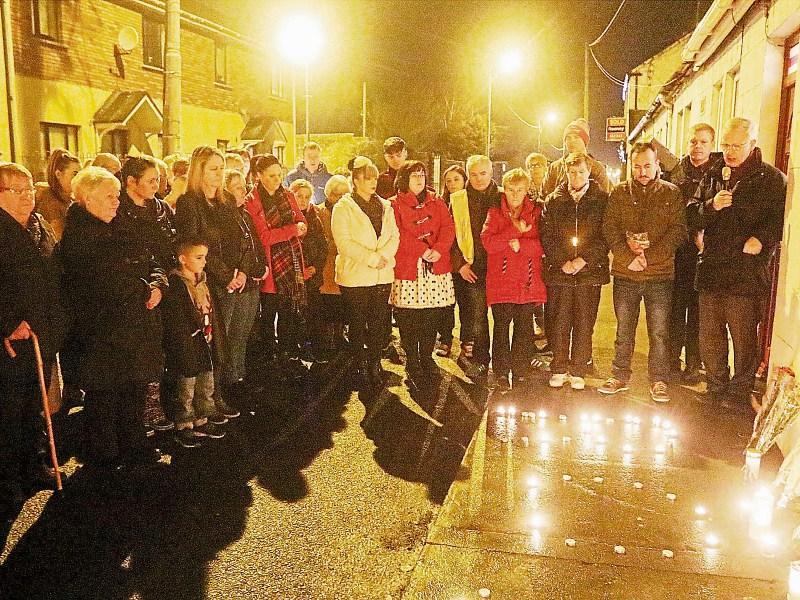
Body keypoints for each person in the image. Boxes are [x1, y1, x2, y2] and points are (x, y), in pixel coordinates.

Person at [59, 167, 164, 468]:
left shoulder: (122, 227)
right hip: (102, 333)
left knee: (133, 389)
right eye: (109, 196)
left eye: (117, 195)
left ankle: (133, 443)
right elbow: (105, 281)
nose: (116, 201)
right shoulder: (79, 238)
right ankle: (104, 456)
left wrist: (158, 284)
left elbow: (150, 260)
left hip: (133, 327)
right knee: (105, 396)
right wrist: (145, 289)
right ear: (87, 199)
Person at [693, 117, 787, 408]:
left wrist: (762, 240)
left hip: (745, 274)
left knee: (744, 337)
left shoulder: (771, 179)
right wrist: (710, 206)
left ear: (752, 144)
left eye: (737, 145)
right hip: (712, 270)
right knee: (710, 336)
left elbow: (780, 221)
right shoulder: (713, 173)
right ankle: (716, 384)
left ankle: (739, 390)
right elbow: (691, 213)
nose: (730, 152)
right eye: (726, 145)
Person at [0, 162, 66, 533]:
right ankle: (8, 482)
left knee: (33, 406)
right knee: (8, 414)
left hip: (41, 334)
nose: (27, 197)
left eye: (29, 190)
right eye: (17, 191)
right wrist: (7, 322)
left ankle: (33, 466)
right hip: (11, 341)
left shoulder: (38, 226)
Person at [599, 141, 686, 403]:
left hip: (659, 275)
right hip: (626, 274)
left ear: (657, 165)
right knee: (624, 330)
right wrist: (627, 257)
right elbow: (609, 228)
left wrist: (650, 257)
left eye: (647, 166)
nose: (642, 172)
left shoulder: (671, 193)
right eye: (637, 167)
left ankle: (658, 379)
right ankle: (619, 375)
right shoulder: (619, 193)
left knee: (659, 332)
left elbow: (678, 231)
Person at [175, 146, 255, 419]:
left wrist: (242, 271)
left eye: (222, 168)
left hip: (234, 278)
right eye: (213, 169)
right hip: (208, 282)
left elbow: (243, 238)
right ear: (199, 171)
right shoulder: (189, 204)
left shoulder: (227, 201)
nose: (219, 174)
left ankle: (219, 393)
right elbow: (193, 245)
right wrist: (225, 275)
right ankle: (207, 400)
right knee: (212, 343)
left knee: (230, 339)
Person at [115, 156, 177, 432]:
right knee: (141, 353)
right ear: (131, 181)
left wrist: (162, 280)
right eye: (151, 180)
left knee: (161, 349)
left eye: (158, 179)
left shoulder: (159, 209)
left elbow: (167, 245)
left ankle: (157, 402)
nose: (156, 185)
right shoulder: (119, 212)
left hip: (162, 282)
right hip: (137, 290)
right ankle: (142, 410)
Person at [540, 152, 609, 391]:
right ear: (566, 173)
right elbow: (547, 235)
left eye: (581, 172)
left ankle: (578, 368)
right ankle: (559, 367)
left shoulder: (601, 199)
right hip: (560, 273)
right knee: (558, 321)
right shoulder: (554, 200)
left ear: (589, 172)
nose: (576, 176)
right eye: (572, 172)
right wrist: (562, 261)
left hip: (589, 272)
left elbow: (605, 235)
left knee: (584, 323)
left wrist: (584, 260)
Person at [331, 156, 399, 388]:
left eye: (375, 178)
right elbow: (344, 242)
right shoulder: (343, 207)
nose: (373, 183)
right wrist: (372, 258)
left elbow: (394, 235)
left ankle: (374, 364)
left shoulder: (385, 206)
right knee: (358, 324)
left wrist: (384, 256)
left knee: (379, 323)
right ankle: (360, 365)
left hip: (382, 274)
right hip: (356, 276)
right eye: (368, 178)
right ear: (356, 180)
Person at [390, 161, 455, 391]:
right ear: (404, 178)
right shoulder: (394, 204)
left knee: (431, 316)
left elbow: (448, 227)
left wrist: (438, 249)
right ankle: (412, 360)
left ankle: (426, 357)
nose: (419, 179)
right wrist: (422, 250)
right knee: (408, 318)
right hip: (409, 267)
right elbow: (396, 233)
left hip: (435, 266)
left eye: (421, 175)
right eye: (414, 175)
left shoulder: (437, 201)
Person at [665, 123, 721, 384]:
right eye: (693, 141)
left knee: (699, 313)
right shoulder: (675, 174)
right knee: (675, 309)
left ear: (711, 144)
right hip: (679, 252)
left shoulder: (719, 174)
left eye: (703, 142)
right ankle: (671, 359)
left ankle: (694, 363)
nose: (697, 146)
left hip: (706, 253)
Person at [481, 168, 545, 391]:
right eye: (511, 189)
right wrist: (513, 232)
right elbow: (488, 242)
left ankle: (520, 370)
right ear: (504, 190)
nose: (515, 194)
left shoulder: (536, 212)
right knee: (501, 328)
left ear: (526, 190)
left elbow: (543, 244)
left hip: (527, 281)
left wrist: (521, 245)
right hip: (502, 281)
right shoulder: (495, 212)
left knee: (524, 329)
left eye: (519, 190)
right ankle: (501, 371)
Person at [161, 238, 226, 448]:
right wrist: (184, 338)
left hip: (206, 339)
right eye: (198, 257)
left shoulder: (205, 281)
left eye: (205, 257)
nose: (204, 261)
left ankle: (202, 417)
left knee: (206, 381)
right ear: (183, 259)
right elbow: (175, 319)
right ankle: (184, 423)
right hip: (187, 342)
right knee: (186, 385)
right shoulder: (176, 285)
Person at [245, 154, 308, 367]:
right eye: (271, 176)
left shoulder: (287, 195)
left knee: (288, 311)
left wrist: (297, 228)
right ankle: (270, 355)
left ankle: (286, 352)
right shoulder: (253, 201)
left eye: (279, 175)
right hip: (270, 263)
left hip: (291, 260)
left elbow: (301, 222)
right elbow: (264, 237)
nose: (277, 180)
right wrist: (292, 230)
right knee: (269, 312)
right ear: (259, 175)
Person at [450, 155, 500, 379]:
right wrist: (460, 264)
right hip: (472, 267)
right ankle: (481, 360)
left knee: (502, 320)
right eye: (473, 174)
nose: (479, 179)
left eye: (483, 173)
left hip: (501, 268)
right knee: (478, 318)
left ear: (491, 173)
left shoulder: (502, 197)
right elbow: (449, 235)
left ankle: (503, 365)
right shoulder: (458, 199)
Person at [219, 169, 267, 395]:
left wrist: (261, 267)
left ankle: (239, 372)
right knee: (231, 332)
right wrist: (241, 272)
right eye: (238, 187)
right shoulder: (224, 216)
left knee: (244, 331)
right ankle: (228, 379)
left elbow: (254, 243)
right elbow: (233, 249)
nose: (244, 191)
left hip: (250, 280)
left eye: (244, 186)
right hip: (234, 281)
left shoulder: (244, 214)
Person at [289, 178, 328, 360]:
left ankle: (316, 349)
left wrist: (314, 268)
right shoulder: (286, 218)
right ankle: (295, 350)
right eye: (299, 196)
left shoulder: (314, 218)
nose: (303, 200)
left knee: (314, 314)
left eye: (306, 197)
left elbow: (322, 247)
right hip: (292, 276)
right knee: (294, 316)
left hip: (311, 275)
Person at [435, 164, 467, 357]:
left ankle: (466, 341)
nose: (452, 184)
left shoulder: (468, 202)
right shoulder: (441, 203)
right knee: (446, 305)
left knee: (466, 304)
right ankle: (445, 339)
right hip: (446, 262)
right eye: (448, 181)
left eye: (456, 179)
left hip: (464, 262)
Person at [318, 175, 350, 353]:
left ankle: (340, 336)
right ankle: (327, 342)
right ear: (329, 194)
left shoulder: (350, 211)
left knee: (341, 307)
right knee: (327, 308)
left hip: (345, 267)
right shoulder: (320, 212)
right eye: (338, 194)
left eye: (345, 194)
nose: (341, 198)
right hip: (327, 267)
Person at [542, 119, 611, 197]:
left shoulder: (597, 168)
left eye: (576, 137)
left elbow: (604, 198)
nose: (572, 141)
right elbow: (545, 195)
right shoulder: (555, 167)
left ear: (584, 141)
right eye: (568, 138)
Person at [34, 149, 81, 241]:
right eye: (75, 174)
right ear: (58, 174)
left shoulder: (70, 198)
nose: (79, 179)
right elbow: (57, 238)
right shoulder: (50, 200)